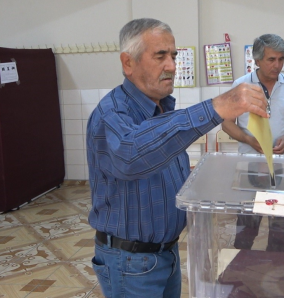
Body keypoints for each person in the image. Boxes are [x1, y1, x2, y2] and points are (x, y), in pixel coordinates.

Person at [87, 18, 269, 298]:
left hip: (167, 254)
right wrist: (218, 106)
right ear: (128, 63)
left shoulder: (162, 109)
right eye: (160, 56)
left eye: (173, 56)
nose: (172, 66)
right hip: (131, 262)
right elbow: (132, 155)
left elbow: (165, 166)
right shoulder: (112, 113)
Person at [222, 33, 284, 252]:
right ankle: (239, 271)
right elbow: (227, 123)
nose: (277, 65)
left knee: (279, 228)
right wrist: (249, 140)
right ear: (257, 60)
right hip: (251, 166)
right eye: (271, 60)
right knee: (247, 227)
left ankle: (273, 272)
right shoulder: (241, 86)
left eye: (281, 59)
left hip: (283, 166)